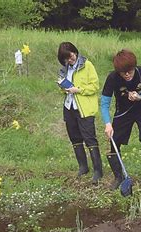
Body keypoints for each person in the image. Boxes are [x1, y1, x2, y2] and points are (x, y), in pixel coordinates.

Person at [100, 49, 141, 189]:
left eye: (130, 71)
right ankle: (119, 176)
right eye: (123, 73)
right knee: (114, 141)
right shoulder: (112, 78)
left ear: (134, 67)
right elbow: (105, 102)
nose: (127, 75)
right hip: (123, 111)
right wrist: (107, 123)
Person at [57, 42, 102, 184]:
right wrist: (63, 88)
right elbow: (63, 87)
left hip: (84, 108)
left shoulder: (87, 65)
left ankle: (97, 170)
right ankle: (83, 167)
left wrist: (78, 89)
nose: (70, 60)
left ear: (74, 51)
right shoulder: (64, 69)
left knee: (89, 138)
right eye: (66, 59)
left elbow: (95, 86)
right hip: (69, 107)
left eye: (71, 56)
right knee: (75, 138)